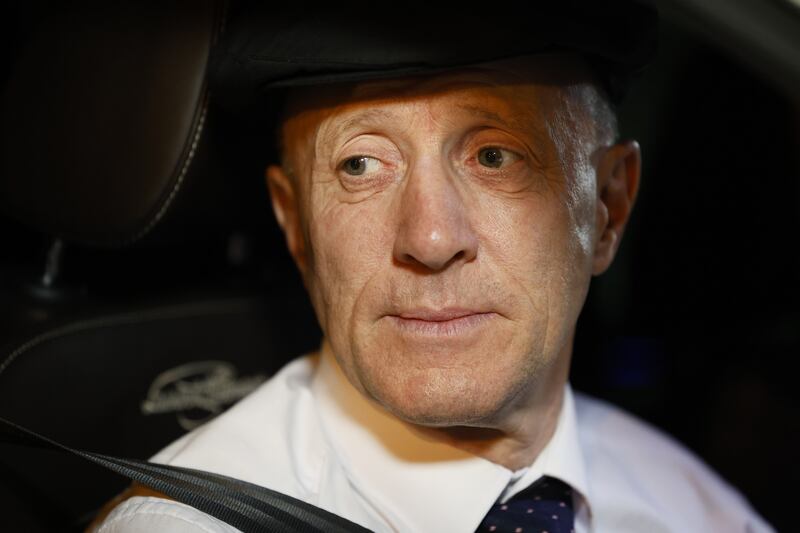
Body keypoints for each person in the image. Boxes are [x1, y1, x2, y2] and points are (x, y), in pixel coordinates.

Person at [94, 4, 774, 532]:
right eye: (360, 165)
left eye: (495, 156)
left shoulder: (700, 507)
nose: (430, 236)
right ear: (295, 223)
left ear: (607, 209)